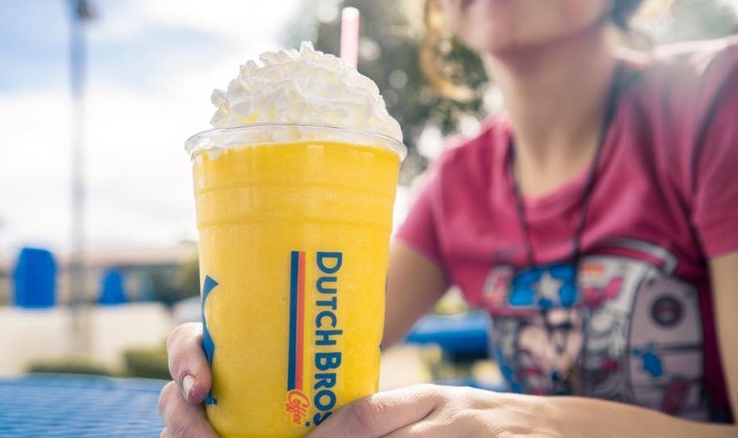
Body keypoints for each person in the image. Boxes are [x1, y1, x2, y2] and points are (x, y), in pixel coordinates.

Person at [158, 0, 738, 435]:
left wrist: (539, 422)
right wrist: (238, 354)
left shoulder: (715, 99)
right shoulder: (460, 181)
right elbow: (319, 325)